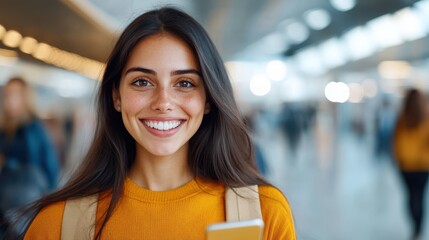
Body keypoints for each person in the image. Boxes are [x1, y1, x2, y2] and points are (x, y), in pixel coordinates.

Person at [19, 7, 296, 240]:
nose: (163, 102)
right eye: (142, 82)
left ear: (208, 99)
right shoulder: (57, 225)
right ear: (116, 96)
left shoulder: (265, 213)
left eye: (185, 83)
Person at [0, 77, 59, 236]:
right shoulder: (5, 131)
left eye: (15, 95)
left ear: (25, 98)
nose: (9, 101)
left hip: (25, 210)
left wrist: (7, 164)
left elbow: (49, 173)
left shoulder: (34, 131)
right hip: (6, 208)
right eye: (7, 95)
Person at [393, 88, 429, 240]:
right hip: (422, 165)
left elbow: (396, 141)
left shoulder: (402, 118)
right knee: (419, 196)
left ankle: (415, 225)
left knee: (410, 196)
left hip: (406, 165)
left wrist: (398, 158)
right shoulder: (426, 118)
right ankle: (418, 227)